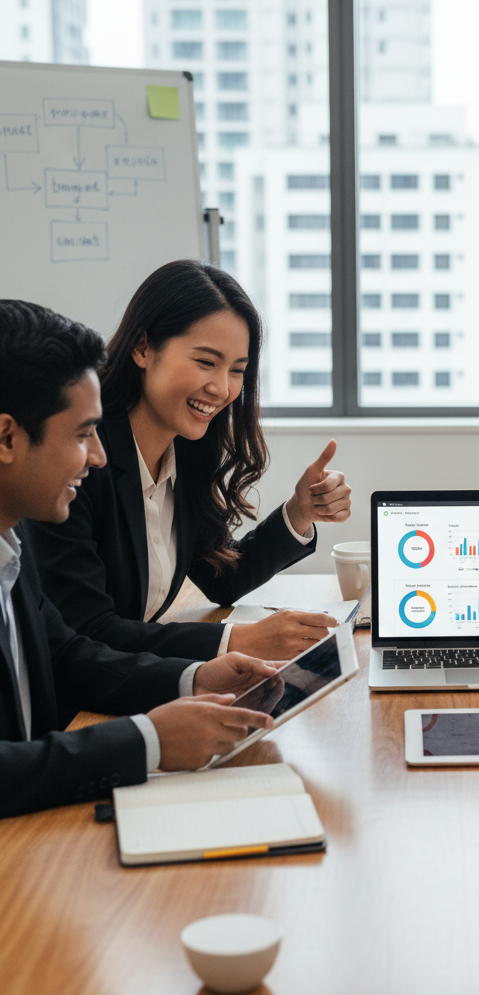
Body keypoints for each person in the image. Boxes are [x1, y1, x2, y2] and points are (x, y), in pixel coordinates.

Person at [0, 300, 276, 818]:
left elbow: (67, 656)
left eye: (237, 370)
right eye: (83, 436)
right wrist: (146, 740)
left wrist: (197, 678)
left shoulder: (10, 547)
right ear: (7, 437)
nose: (99, 456)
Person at [25, 260, 353, 663]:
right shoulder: (81, 463)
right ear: (143, 348)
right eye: (205, 362)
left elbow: (220, 576)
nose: (223, 388)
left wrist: (300, 512)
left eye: (238, 370)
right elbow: (88, 629)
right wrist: (236, 642)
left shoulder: (185, 451)